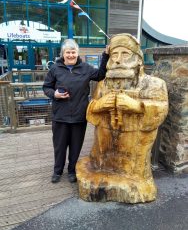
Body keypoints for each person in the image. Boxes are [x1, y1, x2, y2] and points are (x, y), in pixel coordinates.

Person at [76, 33, 168, 202]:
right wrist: (99, 104)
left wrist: (137, 106)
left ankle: (137, 184)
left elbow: (162, 109)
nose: (118, 60)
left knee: (133, 175)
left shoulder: (154, 84)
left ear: (138, 59)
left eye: (125, 54)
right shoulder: (103, 84)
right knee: (101, 167)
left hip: (135, 144)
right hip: (104, 145)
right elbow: (92, 108)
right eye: (114, 54)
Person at [43, 39, 109, 183]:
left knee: (75, 145)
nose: (71, 55)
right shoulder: (55, 68)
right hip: (60, 115)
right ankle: (57, 171)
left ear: (77, 53)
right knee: (60, 146)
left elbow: (100, 75)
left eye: (73, 52)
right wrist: (54, 94)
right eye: (68, 52)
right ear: (63, 54)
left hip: (79, 116)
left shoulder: (85, 68)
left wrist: (105, 55)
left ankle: (72, 170)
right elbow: (46, 87)